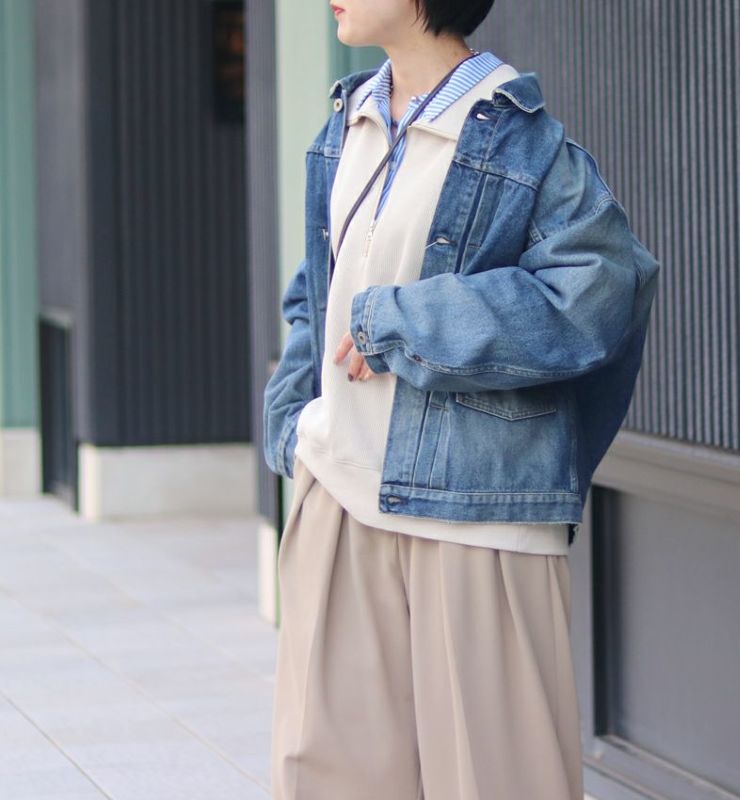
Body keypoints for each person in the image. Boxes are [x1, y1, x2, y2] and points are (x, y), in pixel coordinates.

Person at [263, 1, 660, 798]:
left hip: (474, 510)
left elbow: (602, 291)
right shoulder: (347, 123)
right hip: (338, 490)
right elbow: (319, 289)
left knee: (494, 780)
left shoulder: (521, 140)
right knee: (330, 779)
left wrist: (402, 322)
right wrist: (295, 425)